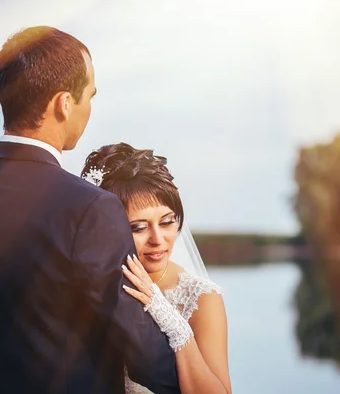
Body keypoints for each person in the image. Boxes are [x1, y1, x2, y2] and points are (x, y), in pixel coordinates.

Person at [0, 26, 181, 393]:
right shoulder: (89, 208)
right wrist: (196, 377)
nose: (89, 107)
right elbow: (141, 350)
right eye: (89, 95)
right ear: (64, 103)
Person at [81, 143, 232, 394]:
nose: (158, 239)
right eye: (138, 227)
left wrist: (173, 324)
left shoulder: (202, 298)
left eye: (167, 222)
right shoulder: (89, 285)